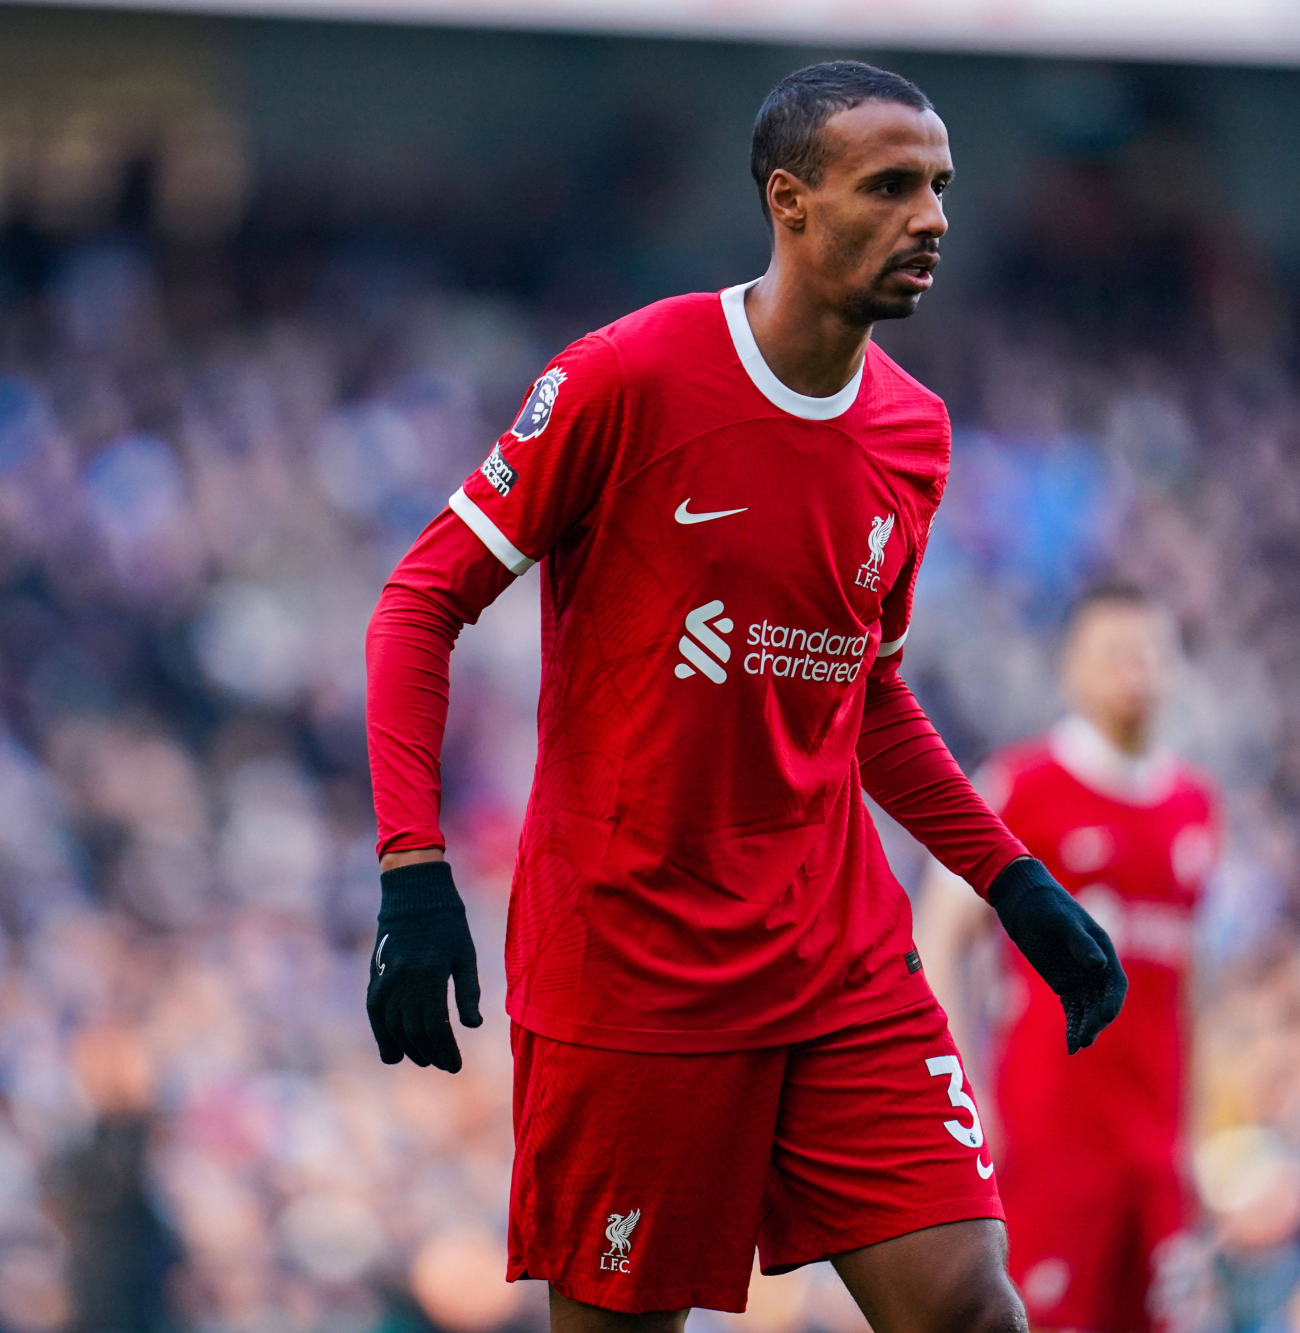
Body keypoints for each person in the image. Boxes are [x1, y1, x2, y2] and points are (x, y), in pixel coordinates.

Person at [362, 61, 1128, 1333]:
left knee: (970, 1309)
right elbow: (417, 602)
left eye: (939, 187)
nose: (930, 218)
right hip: (631, 971)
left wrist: (1012, 881)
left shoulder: (913, 434)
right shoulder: (627, 377)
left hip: (839, 960)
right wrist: (411, 870)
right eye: (889, 187)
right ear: (789, 201)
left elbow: (861, 691)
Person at [914, 584, 1218, 1333]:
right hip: (1048, 1140)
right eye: (1115, 654)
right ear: (1071, 670)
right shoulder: (1024, 786)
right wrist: (963, 1091)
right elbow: (939, 932)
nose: (1135, 671)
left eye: (1150, 653)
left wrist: (1195, 1132)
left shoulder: (1195, 808)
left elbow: (1189, 985)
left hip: (1156, 1148)